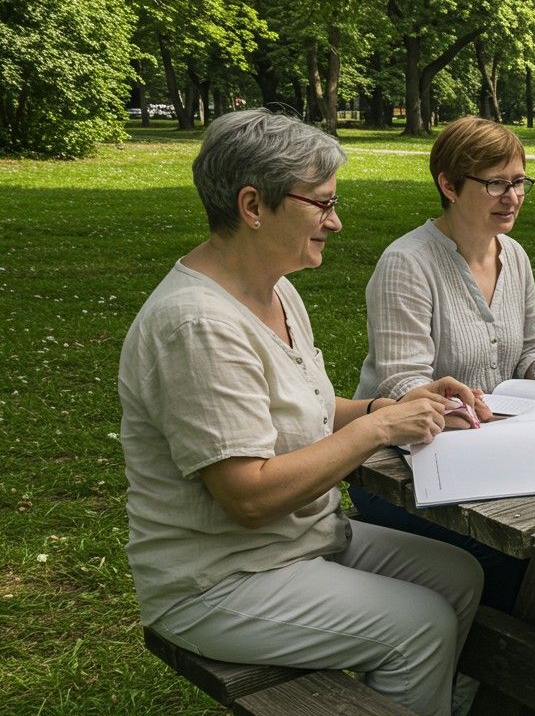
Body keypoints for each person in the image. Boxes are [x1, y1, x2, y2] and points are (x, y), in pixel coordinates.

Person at [120, 109, 488, 716]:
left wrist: (392, 405)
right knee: (420, 626)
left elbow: (306, 406)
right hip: (219, 580)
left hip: (301, 542)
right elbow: (248, 497)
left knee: (459, 576)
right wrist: (376, 428)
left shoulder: (276, 289)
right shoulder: (197, 326)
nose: (335, 222)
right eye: (322, 203)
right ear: (253, 206)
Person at [351, 116, 535, 613]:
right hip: (396, 471)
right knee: (515, 549)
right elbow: (401, 384)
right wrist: (461, 409)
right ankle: (488, 651)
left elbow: (523, 351)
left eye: (519, 181)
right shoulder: (407, 263)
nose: (513, 197)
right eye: (496, 184)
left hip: (487, 447)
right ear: (449, 185)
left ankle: (512, 645)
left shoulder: (514, 255)